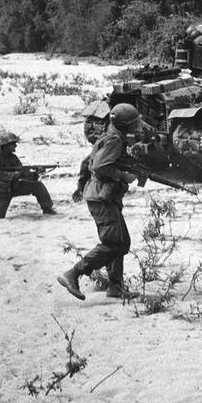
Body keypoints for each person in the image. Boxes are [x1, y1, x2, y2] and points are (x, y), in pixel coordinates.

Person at [57, 103, 140, 301]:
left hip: (101, 197)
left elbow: (87, 162)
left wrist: (80, 185)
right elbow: (101, 166)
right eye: (135, 123)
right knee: (113, 243)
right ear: (127, 124)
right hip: (101, 198)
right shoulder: (114, 141)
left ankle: (115, 287)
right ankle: (73, 274)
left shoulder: (109, 136)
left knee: (121, 242)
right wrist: (123, 175)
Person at [0, 132, 56, 218]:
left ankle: (47, 209)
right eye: (13, 144)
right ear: (5, 145)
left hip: (14, 187)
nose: (15, 146)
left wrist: (35, 174)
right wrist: (13, 175)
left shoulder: (13, 157)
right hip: (2, 191)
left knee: (38, 186)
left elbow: (22, 174)